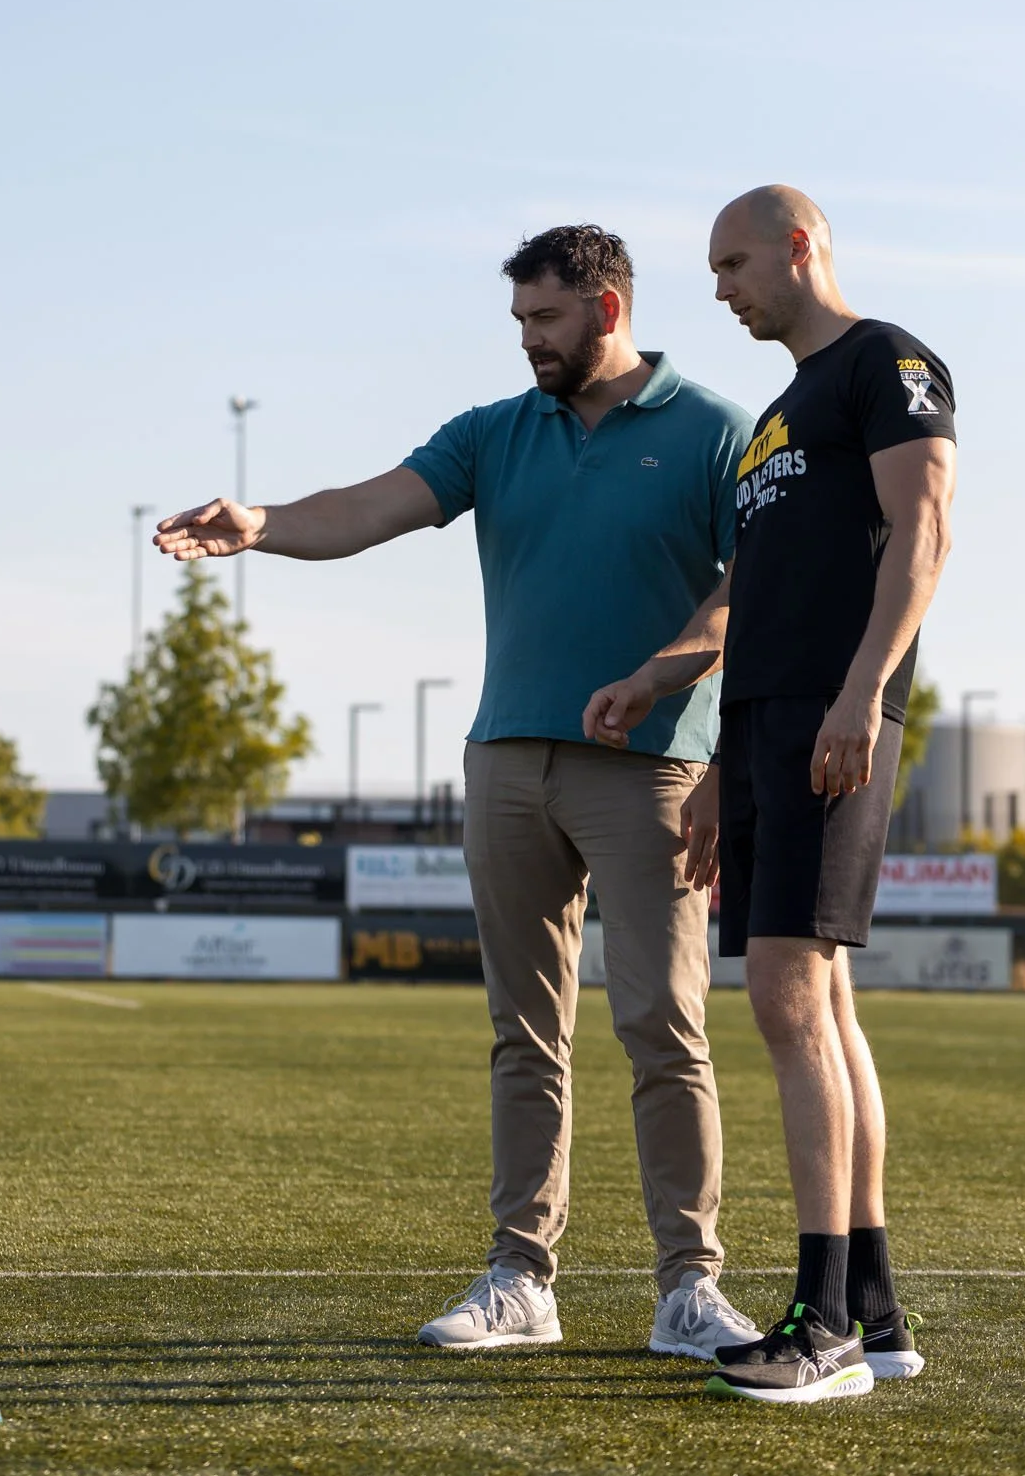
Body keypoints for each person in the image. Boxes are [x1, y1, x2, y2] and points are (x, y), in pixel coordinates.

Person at [153, 224, 761, 1362]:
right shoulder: (493, 432)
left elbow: (749, 595)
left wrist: (659, 684)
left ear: (608, 311)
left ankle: (687, 1286)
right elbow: (369, 506)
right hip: (504, 763)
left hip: (655, 771)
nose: (527, 340)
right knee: (523, 1032)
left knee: (662, 1030)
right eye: (519, 321)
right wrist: (263, 524)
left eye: (544, 320)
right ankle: (520, 1276)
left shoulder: (714, 431)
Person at [591, 186, 955, 1404]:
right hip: (758, 727)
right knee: (827, 1002)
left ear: (799, 249)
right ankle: (872, 1304)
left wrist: (861, 691)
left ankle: (819, 1324)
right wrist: (677, 695)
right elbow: (744, 590)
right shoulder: (771, 423)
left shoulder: (882, 362)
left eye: (731, 261)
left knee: (789, 995)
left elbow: (923, 531)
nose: (717, 286)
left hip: (829, 716)